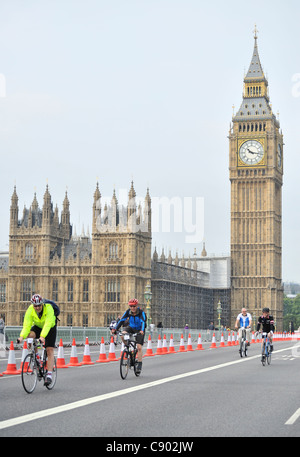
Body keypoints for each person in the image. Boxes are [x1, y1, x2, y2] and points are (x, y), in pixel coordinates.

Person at [17, 294, 57, 386]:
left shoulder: (49, 308)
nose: (37, 307)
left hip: (50, 327)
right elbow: (27, 325)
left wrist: (42, 336)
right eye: (35, 306)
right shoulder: (30, 310)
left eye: (39, 305)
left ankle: (49, 375)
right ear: (32, 305)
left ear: (42, 304)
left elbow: (48, 323)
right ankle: (36, 357)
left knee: (49, 349)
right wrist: (21, 337)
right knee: (30, 335)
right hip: (38, 326)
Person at [112, 299, 146, 374]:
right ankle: (128, 347)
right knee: (122, 334)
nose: (132, 308)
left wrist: (142, 330)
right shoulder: (128, 312)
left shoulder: (141, 312)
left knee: (139, 347)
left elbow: (143, 322)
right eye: (131, 306)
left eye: (134, 306)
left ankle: (139, 364)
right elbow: (121, 320)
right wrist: (115, 329)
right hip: (131, 327)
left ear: (137, 306)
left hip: (139, 329)